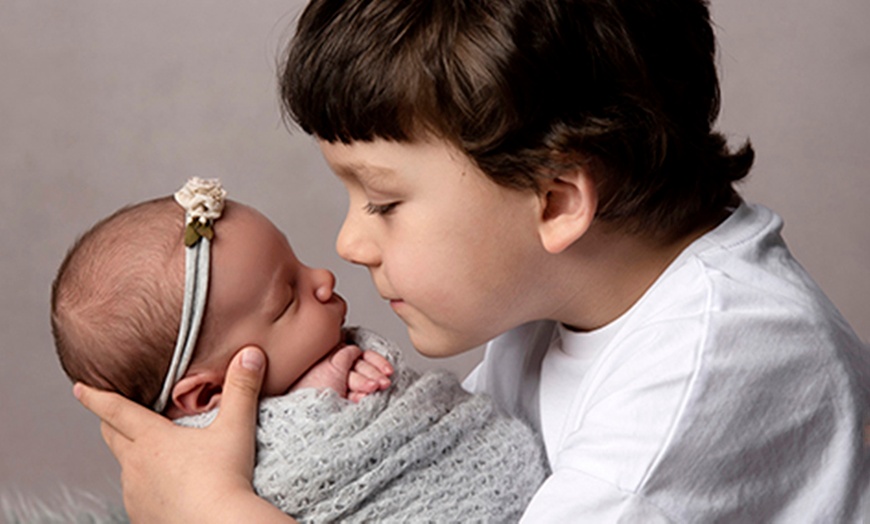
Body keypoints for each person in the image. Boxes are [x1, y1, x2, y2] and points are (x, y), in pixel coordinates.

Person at [74, 0, 870, 522]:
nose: (349, 245)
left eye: (383, 202)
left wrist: (215, 511)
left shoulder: (708, 371)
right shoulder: (568, 297)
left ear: (557, 202)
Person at [52, 178, 547, 522]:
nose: (324, 279)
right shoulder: (223, 459)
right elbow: (301, 473)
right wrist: (321, 405)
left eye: (298, 262)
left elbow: (408, 417)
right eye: (288, 297)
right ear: (206, 398)